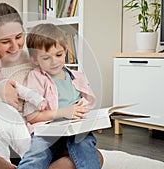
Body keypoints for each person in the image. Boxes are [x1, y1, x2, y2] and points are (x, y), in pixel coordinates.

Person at [0, 2, 103, 169]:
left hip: (31, 146)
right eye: (5, 41)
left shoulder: (37, 59)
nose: (15, 47)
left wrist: (89, 120)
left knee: (92, 155)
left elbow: (63, 92)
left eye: (18, 37)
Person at [17, 23, 101, 169]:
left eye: (59, 55)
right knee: (37, 152)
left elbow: (84, 109)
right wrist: (64, 112)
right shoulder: (36, 78)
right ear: (34, 59)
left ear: (66, 51)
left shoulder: (77, 78)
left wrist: (94, 122)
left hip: (75, 130)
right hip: (46, 132)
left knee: (85, 145)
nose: (54, 61)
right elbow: (32, 116)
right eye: (46, 58)